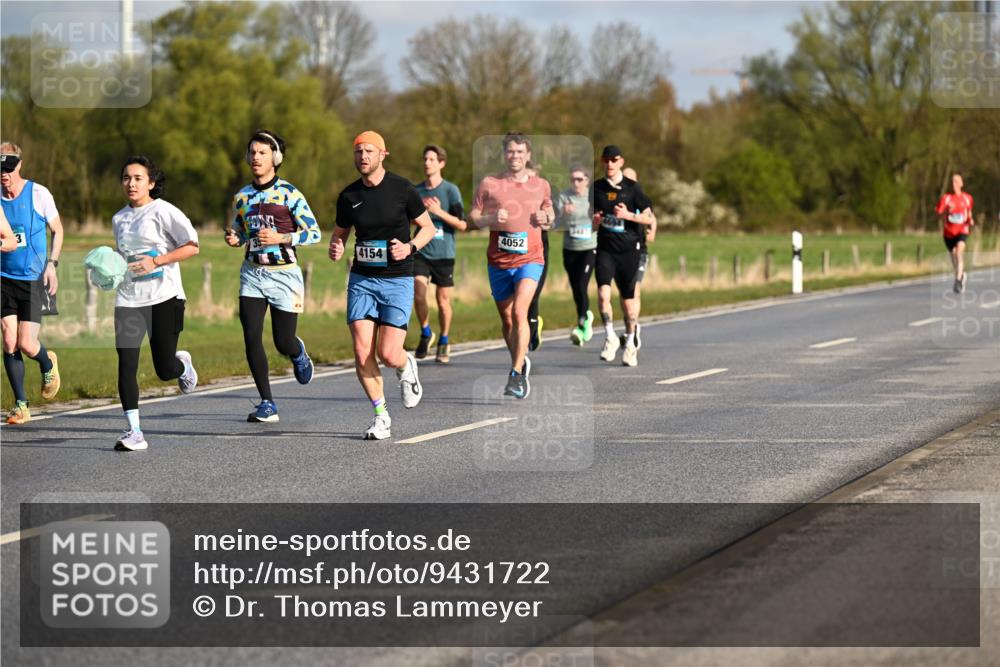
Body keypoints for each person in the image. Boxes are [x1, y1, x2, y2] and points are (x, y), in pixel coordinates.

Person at [329, 131, 436, 440]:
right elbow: (339, 234)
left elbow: (427, 228)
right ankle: (381, 416)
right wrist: (336, 246)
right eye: (358, 151)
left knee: (388, 353)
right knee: (362, 352)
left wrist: (410, 248)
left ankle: (406, 364)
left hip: (398, 279)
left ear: (383, 155)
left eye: (369, 151)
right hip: (362, 279)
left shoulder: (403, 189)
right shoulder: (348, 196)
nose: (363, 156)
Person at [226, 130, 321, 423]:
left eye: (262, 153)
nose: (256, 157)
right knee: (251, 336)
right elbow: (240, 229)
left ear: (275, 158)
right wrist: (235, 237)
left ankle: (298, 352)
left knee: (282, 341)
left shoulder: (290, 194)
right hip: (252, 274)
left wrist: (282, 237)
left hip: (284, 276)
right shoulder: (242, 196)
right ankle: (267, 403)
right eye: (252, 152)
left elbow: (314, 233)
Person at [111, 156, 200, 450]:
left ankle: (182, 365)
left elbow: (192, 246)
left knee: (164, 369)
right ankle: (134, 431)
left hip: (164, 297)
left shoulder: (163, 211)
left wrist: (157, 261)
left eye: (137, 178)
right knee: (126, 364)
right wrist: (109, 273)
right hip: (128, 300)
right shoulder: (119, 218)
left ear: (151, 183)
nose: (131, 183)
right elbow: (124, 260)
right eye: (126, 178)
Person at [469, 133, 554, 399]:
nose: (515, 156)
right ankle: (519, 358)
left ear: (528, 155)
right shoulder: (489, 184)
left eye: (520, 152)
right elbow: (472, 216)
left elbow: (550, 213)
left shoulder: (541, 185)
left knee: (519, 312)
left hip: (530, 259)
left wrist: (546, 217)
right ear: (504, 154)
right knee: (506, 320)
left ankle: (516, 374)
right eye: (510, 151)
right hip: (498, 261)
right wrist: (490, 218)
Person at [1, 142, 63, 424]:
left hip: (33, 279)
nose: (4, 174)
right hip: (4, 278)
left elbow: (57, 230)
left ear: (19, 165)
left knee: (27, 343)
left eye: (9, 168)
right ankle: (21, 405)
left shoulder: (38, 193)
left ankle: (48, 363)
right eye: (0, 169)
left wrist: (53, 264)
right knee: (9, 340)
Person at [592, 145, 654, 367]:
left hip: (629, 251)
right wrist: (595, 222)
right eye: (606, 160)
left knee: (629, 307)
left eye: (613, 159)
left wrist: (628, 215)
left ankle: (629, 342)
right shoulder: (596, 188)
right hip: (606, 250)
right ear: (602, 162)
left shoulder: (632, 189)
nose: (609, 164)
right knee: (602, 294)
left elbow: (649, 219)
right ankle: (609, 336)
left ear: (621, 162)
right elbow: (590, 224)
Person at [412, 144, 466, 363]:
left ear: (441, 163)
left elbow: (462, 224)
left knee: (443, 301)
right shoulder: (416, 191)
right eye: (425, 159)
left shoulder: (451, 190)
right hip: (421, 250)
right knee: (418, 293)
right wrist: (421, 213)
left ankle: (444, 340)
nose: (427, 163)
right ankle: (426, 333)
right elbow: (406, 219)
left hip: (444, 252)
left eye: (432, 159)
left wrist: (438, 212)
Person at [554, 166, 596, 345]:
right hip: (570, 248)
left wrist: (597, 218)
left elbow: (602, 218)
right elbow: (554, 223)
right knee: (575, 286)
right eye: (573, 180)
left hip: (589, 247)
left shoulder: (593, 197)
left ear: (587, 180)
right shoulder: (564, 197)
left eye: (579, 179)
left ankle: (582, 322)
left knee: (581, 284)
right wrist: (563, 213)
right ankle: (585, 314)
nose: (576, 183)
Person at [525, 160, 551, 351]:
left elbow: (551, 219)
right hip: (517, 251)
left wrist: (545, 219)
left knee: (532, 294)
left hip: (539, 250)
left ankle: (532, 330)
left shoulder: (543, 193)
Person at [935, 173, 974, 294]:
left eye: (956, 181)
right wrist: (947, 212)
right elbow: (938, 213)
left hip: (962, 230)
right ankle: (960, 275)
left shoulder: (967, 198)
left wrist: (970, 220)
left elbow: (968, 212)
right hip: (949, 232)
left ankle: (957, 281)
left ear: (961, 184)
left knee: (958, 252)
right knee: (953, 254)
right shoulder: (946, 199)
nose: (954, 184)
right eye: (952, 181)